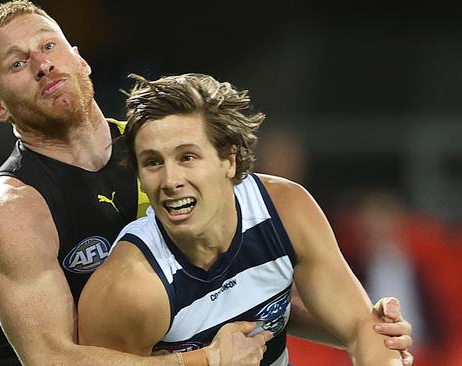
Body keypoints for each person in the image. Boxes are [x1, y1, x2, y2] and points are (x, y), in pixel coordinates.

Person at [0, 1, 413, 365]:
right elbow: (50, 361)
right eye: (18, 63)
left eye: (49, 45)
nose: (42, 65)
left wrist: (362, 329)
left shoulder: (156, 149)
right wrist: (203, 362)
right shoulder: (13, 209)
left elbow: (229, 287)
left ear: (80, 58)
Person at [77, 73, 407, 366]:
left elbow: (365, 328)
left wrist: (381, 340)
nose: (170, 180)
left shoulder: (285, 210)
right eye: (152, 162)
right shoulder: (129, 288)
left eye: (187, 157)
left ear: (229, 161)